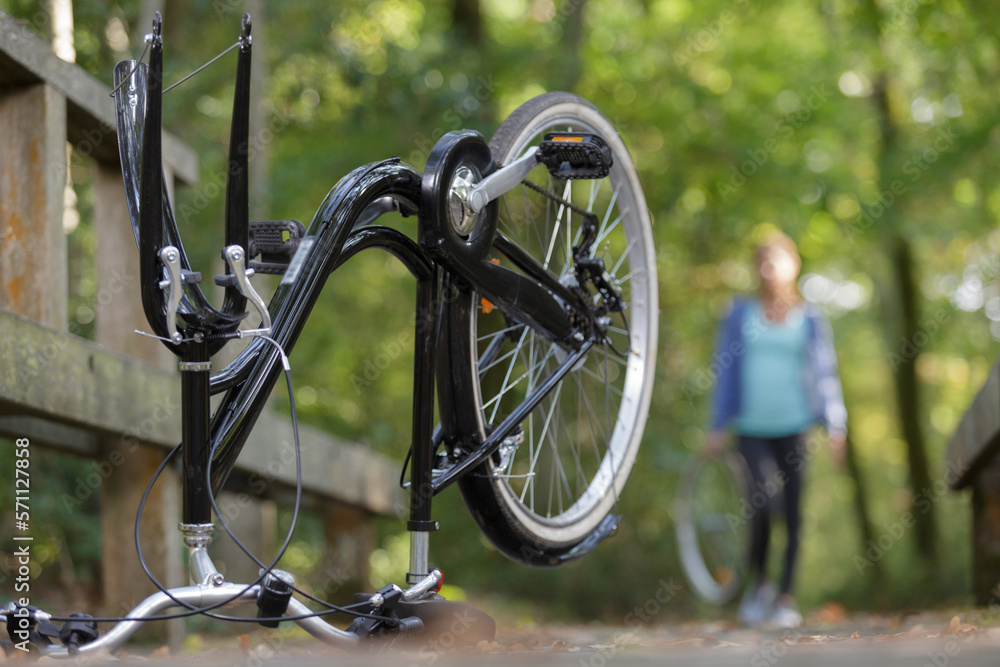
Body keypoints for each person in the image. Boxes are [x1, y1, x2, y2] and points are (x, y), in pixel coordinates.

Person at [705, 231, 847, 628]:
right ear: (756, 269)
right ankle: (760, 586)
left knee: (794, 512)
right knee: (762, 507)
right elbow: (726, 369)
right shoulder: (739, 312)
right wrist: (716, 426)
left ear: (793, 264)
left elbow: (825, 373)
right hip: (750, 428)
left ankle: (786, 597)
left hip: (796, 427)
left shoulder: (811, 317)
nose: (769, 268)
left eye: (777, 259)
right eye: (762, 261)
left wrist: (836, 425)